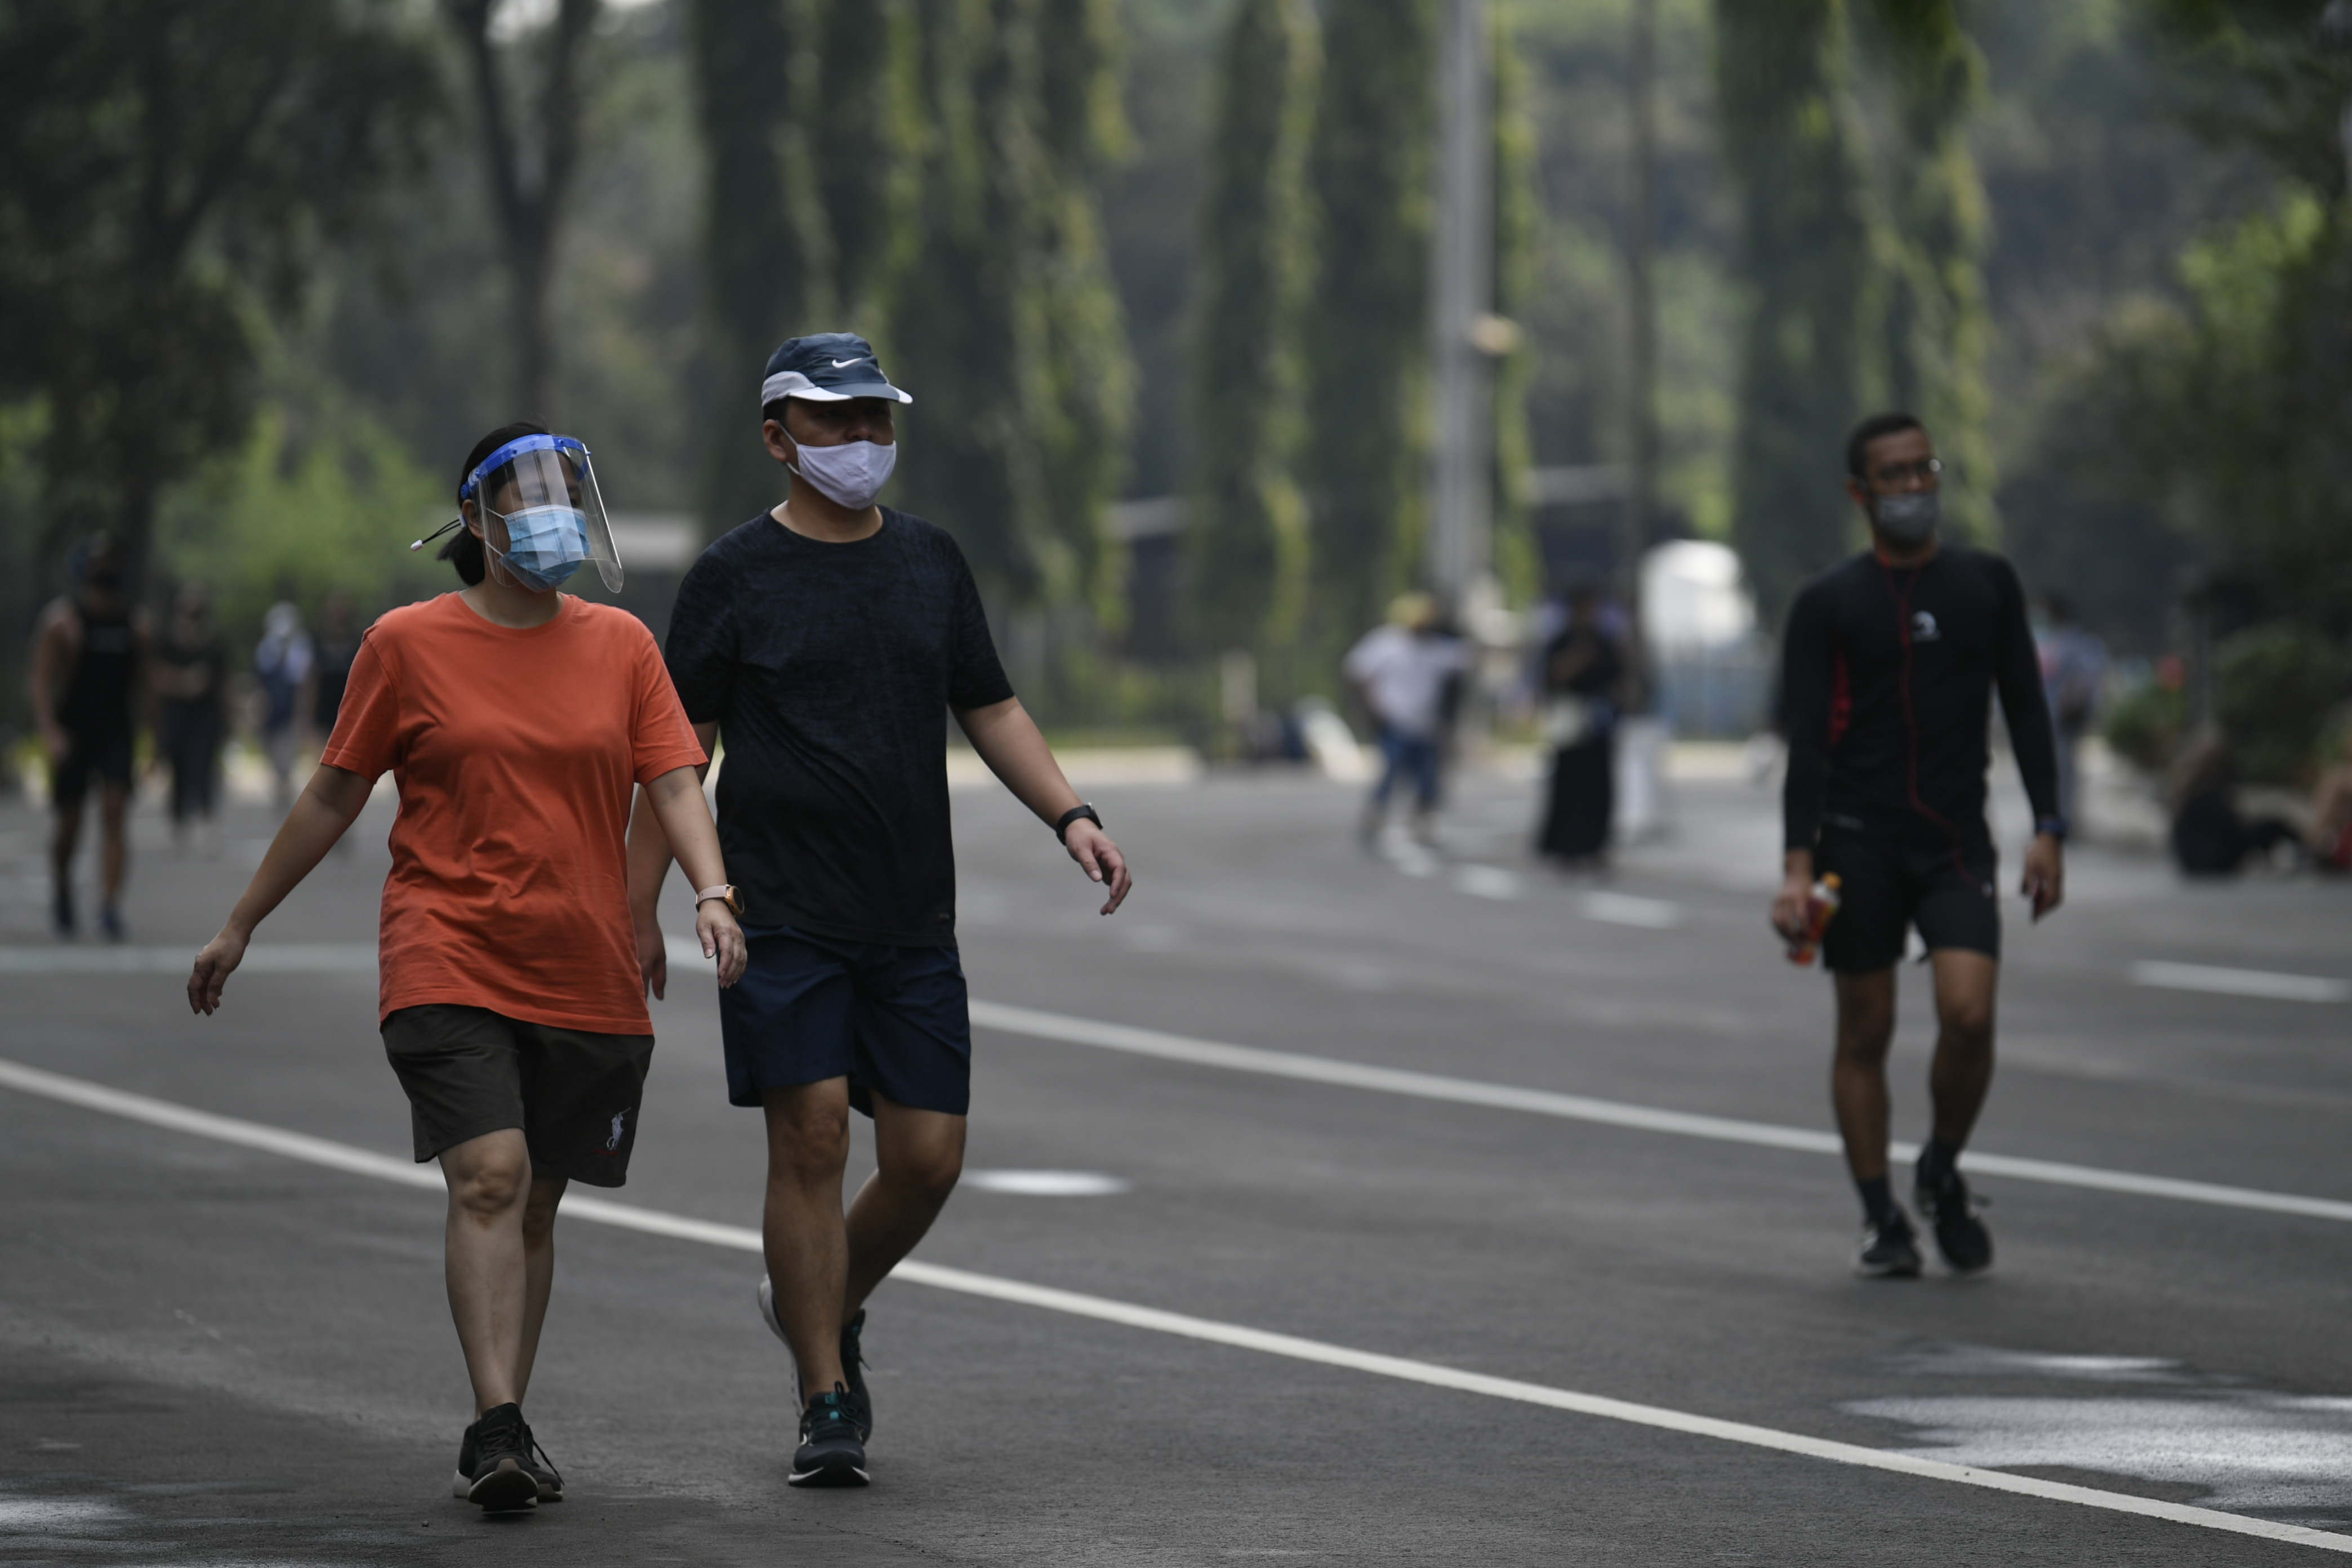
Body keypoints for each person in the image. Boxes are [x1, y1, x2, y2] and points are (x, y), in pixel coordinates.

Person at [186, 421, 747, 1515]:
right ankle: (496, 1422)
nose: (552, 512)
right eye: (528, 493)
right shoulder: (405, 644)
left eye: (566, 490)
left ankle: (507, 1424)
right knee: (491, 1172)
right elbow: (335, 790)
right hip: (446, 952)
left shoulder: (625, 646)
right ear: (476, 519)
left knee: (537, 1201)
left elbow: (677, 779)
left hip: (584, 964)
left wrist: (711, 892)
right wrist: (241, 922)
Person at [625, 333, 1134, 1490]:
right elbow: (676, 754)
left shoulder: (930, 562)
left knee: (928, 1159)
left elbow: (991, 707)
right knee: (810, 1135)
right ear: (779, 438)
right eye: (834, 420)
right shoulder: (732, 576)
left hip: (909, 916)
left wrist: (1072, 815)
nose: (860, 439)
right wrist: (638, 902)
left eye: (875, 419)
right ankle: (826, 1394)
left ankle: (817, 1297)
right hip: (780, 911)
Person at [1771, 412, 2065, 1279]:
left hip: (1954, 844)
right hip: (1856, 845)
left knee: (1969, 1017)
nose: (1912, 487)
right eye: (1893, 475)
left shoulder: (1986, 582)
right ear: (1860, 493)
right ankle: (1880, 1219)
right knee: (1866, 1030)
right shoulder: (1828, 602)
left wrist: (2048, 828)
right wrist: (1796, 869)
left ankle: (1940, 1168)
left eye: (1922, 470)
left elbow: (2026, 708)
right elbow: (1806, 745)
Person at [28, 533, 145, 939]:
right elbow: (41, 680)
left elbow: (146, 686)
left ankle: (110, 907)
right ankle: (62, 886)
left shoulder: (136, 626)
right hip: (74, 734)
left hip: (116, 732)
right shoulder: (63, 622)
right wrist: (50, 732)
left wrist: (155, 741)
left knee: (115, 811)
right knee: (70, 823)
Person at [1343, 591, 1476, 849]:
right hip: (1395, 723)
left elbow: (1467, 658)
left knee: (1428, 781)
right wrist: (1373, 709)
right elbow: (1357, 672)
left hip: (1426, 726)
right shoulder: (1386, 644)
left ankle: (1423, 827)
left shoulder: (1437, 648)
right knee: (1389, 776)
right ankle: (1374, 824)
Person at [1535, 585, 1624, 867]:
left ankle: (1594, 845)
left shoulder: (1604, 642)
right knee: (1568, 786)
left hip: (1599, 723)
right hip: (1570, 721)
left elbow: (1618, 679)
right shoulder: (1562, 641)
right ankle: (1565, 846)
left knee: (1598, 789)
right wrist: (1579, 657)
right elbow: (1553, 676)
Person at [150, 581, 230, 856]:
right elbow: (155, 677)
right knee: (178, 764)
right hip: (176, 712)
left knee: (204, 764)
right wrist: (184, 682)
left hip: (206, 714)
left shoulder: (213, 642)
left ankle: (207, 820)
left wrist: (228, 718)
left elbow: (223, 683)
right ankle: (178, 820)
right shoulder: (166, 640)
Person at [2034, 592, 2107, 826]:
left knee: (2063, 769)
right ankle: (2053, 816)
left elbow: (2087, 679)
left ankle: (2062, 818)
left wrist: (2073, 707)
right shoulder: (2050, 641)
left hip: (2064, 719)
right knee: (2053, 769)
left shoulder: (2075, 643)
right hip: (2050, 718)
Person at [253, 599, 314, 810]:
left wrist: (303, 716)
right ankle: (281, 785)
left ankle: (285, 789)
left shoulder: (301, 648)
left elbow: (303, 685)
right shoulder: (266, 649)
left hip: (290, 713)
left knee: (286, 755)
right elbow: (261, 683)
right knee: (272, 755)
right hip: (271, 713)